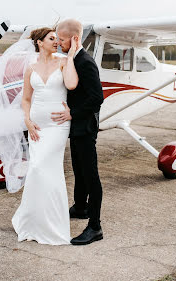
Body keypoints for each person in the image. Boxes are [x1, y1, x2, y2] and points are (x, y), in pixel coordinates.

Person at [12, 27, 79, 245]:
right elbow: (26, 99)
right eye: (51, 39)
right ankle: (32, 220)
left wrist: (70, 57)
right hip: (37, 127)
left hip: (57, 126)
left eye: (57, 39)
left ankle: (53, 224)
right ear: (39, 43)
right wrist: (27, 120)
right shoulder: (31, 69)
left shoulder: (62, 61)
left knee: (42, 166)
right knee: (38, 170)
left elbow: (71, 84)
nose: (56, 42)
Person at [52, 19, 104, 246]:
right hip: (76, 127)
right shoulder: (73, 59)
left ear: (74, 39)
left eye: (61, 39)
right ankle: (81, 207)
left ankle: (95, 226)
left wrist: (73, 113)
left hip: (85, 126)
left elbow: (97, 98)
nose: (58, 44)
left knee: (90, 174)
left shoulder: (85, 62)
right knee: (78, 169)